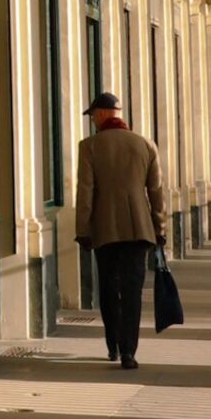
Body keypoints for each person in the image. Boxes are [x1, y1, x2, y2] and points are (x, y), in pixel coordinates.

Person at [75, 91, 166, 369]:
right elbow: (157, 192)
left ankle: (113, 344)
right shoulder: (145, 145)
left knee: (108, 287)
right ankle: (129, 351)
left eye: (93, 117)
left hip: (104, 229)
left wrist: (83, 229)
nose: (93, 122)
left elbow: (86, 191)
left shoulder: (89, 146)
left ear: (101, 114)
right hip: (139, 229)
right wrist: (159, 226)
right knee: (132, 290)